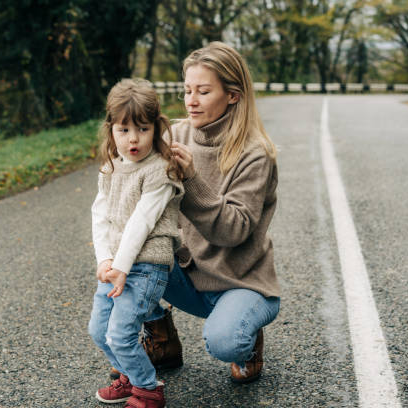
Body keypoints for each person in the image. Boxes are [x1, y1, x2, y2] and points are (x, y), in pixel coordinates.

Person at [111, 41, 281, 384]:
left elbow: (235, 231)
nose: (191, 100)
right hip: (185, 274)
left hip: (239, 281)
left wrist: (192, 180)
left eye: (203, 91)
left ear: (232, 95)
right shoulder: (174, 134)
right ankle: (161, 337)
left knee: (225, 341)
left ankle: (246, 340)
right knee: (121, 252)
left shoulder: (255, 154)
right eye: (187, 90)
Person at [88, 78, 184, 408]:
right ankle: (130, 373)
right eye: (124, 130)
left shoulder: (159, 171)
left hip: (144, 268)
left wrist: (120, 266)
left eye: (142, 129)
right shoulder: (111, 167)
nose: (133, 139)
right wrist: (104, 262)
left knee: (120, 333)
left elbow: (141, 223)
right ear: (111, 130)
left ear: (156, 129)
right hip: (115, 266)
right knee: (99, 331)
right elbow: (100, 215)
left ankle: (147, 389)